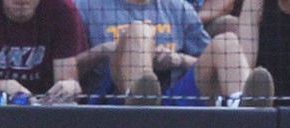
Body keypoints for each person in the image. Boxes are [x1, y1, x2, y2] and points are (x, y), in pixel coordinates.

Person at [74, 0, 272, 106]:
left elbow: (206, 59)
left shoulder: (178, 7)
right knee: (139, 31)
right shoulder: (87, 5)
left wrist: (177, 59)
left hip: (176, 96)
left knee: (226, 42)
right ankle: (141, 98)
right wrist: (104, 50)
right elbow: (70, 67)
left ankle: (244, 104)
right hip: (117, 98)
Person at [0, 0, 86, 103]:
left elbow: (66, 78)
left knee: (68, 106)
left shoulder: (62, 8)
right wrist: (5, 85)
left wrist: (70, 86)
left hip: (44, 102)